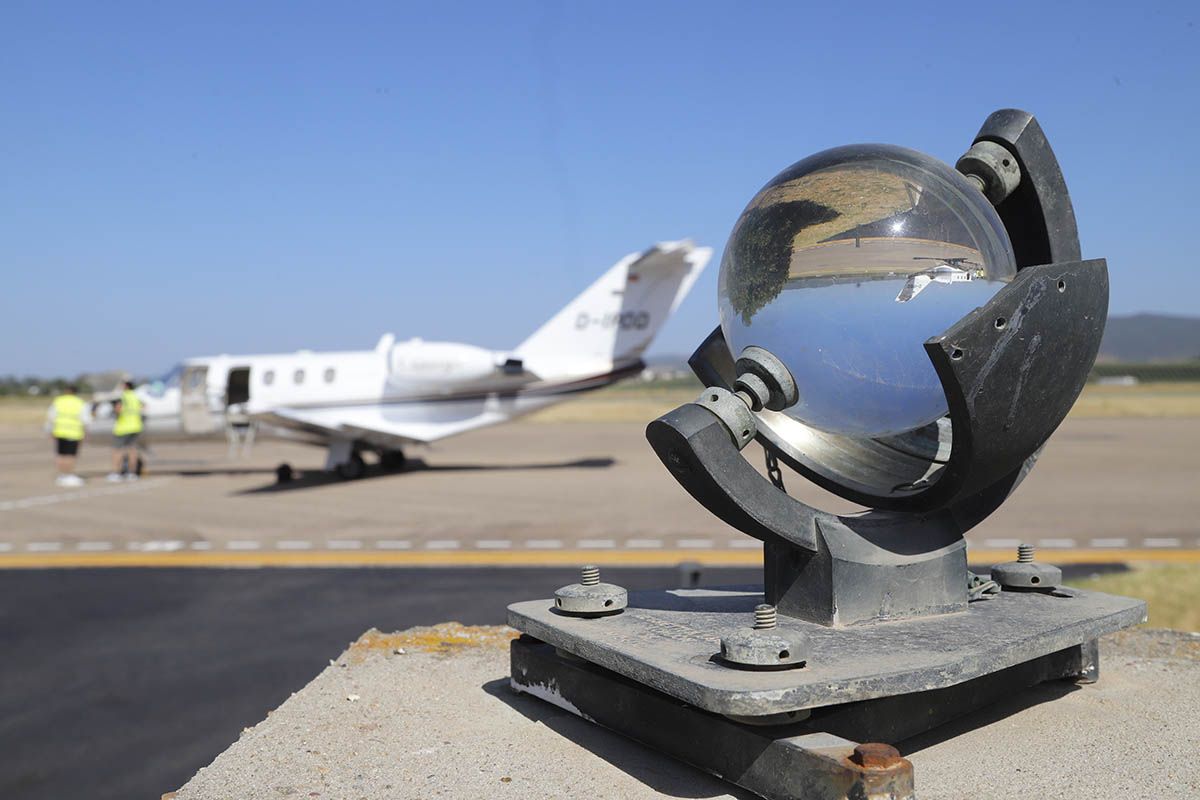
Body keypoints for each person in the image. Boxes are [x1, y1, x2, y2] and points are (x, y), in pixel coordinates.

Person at [45, 384, 90, 487]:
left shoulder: (58, 401)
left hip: (60, 431)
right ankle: (69, 475)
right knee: (71, 455)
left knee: (61, 454)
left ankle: (62, 475)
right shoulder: (80, 403)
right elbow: (86, 419)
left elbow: (51, 417)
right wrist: (86, 432)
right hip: (74, 433)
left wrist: (50, 430)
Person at [108, 380, 144, 482]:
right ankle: (132, 473)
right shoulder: (136, 397)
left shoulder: (122, 396)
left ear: (126, 387)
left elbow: (118, 409)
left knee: (118, 451)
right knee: (132, 450)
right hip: (136, 426)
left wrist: (115, 412)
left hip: (123, 427)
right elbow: (143, 407)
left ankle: (116, 473)